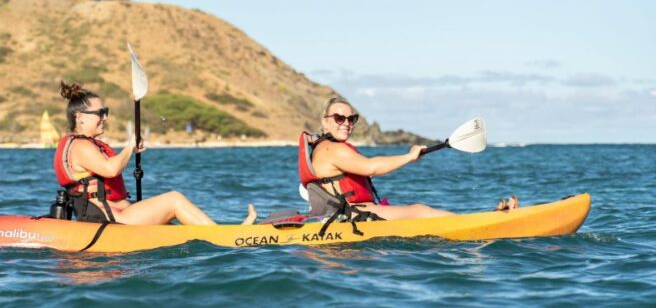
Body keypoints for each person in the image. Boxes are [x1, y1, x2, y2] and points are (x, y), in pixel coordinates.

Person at [54, 81, 257, 225]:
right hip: (111, 219)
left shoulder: (88, 144)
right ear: (79, 117)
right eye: (101, 113)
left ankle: (216, 235)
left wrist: (130, 149)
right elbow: (111, 169)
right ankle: (226, 240)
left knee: (169, 221)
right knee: (174, 199)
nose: (105, 117)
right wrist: (130, 144)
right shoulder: (80, 146)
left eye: (105, 112)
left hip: (121, 212)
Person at [300, 97, 516, 222]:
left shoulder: (331, 147)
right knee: (420, 211)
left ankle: (481, 220)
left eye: (351, 118)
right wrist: (409, 157)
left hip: (358, 212)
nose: (346, 123)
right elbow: (371, 167)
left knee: (420, 210)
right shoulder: (330, 149)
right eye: (339, 118)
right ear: (325, 122)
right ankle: (482, 223)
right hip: (351, 217)